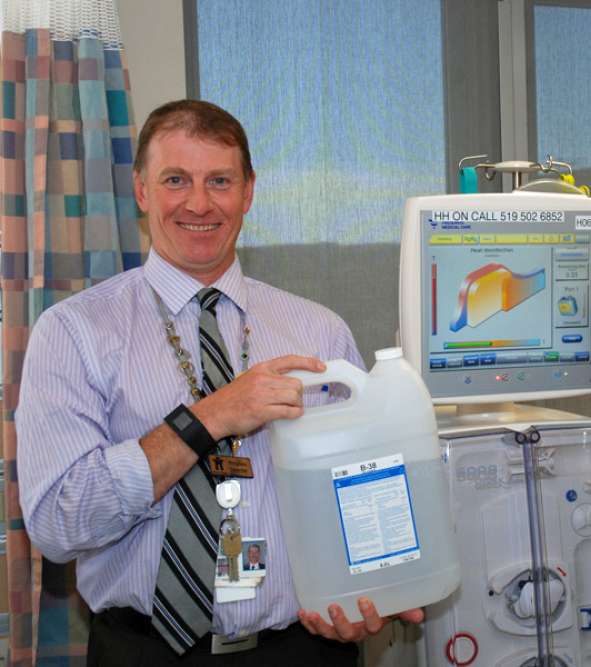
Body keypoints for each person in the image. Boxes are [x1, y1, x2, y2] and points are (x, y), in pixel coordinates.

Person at [16, 99, 421, 666]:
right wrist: (208, 418)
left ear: (248, 193)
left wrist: (372, 590)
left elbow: (358, 492)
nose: (199, 203)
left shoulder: (319, 330)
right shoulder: (74, 331)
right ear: (141, 191)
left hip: (301, 650)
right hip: (144, 652)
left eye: (220, 181)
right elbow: (59, 523)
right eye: (175, 179)